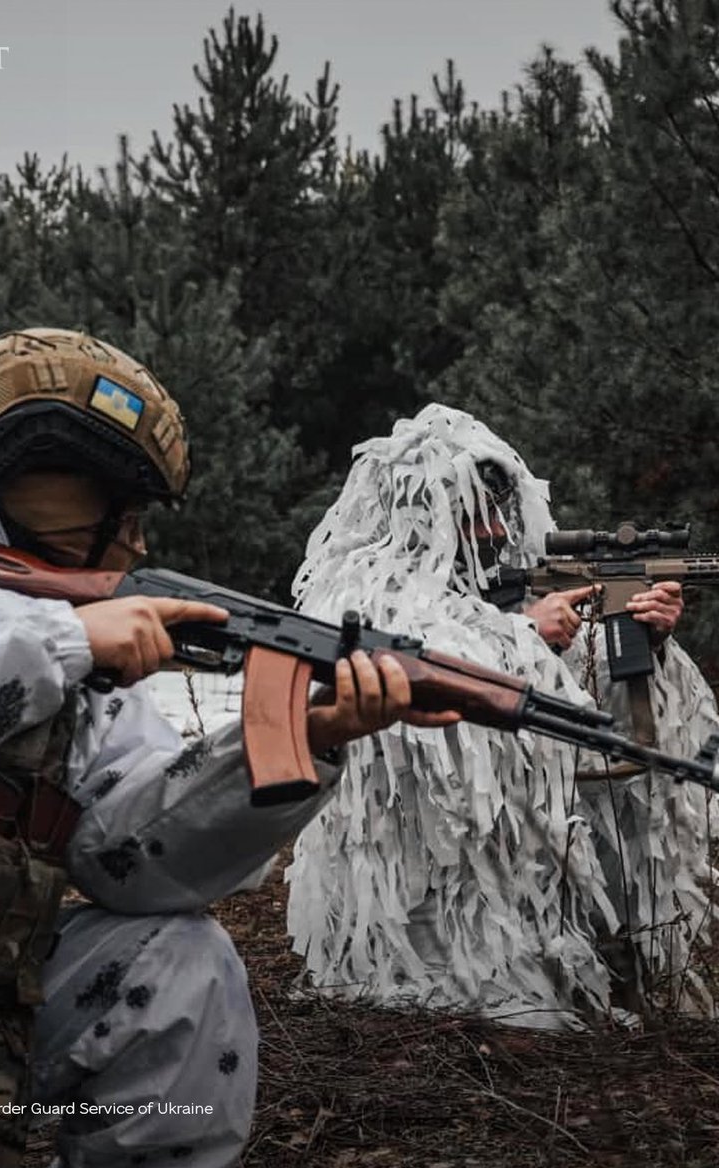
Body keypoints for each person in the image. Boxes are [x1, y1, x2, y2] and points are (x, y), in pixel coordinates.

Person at [0, 329, 457, 1168]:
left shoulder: (73, 641)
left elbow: (134, 865)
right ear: (19, 478)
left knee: (181, 967)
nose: (125, 540)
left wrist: (306, 740)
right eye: (102, 505)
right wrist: (60, 640)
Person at [286, 403, 717, 1028]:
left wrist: (641, 635)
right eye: (473, 511)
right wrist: (522, 634)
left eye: (498, 510)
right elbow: (418, 682)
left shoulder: (500, 586)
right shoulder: (358, 590)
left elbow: (570, 696)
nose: (492, 530)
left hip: (525, 891)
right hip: (422, 899)